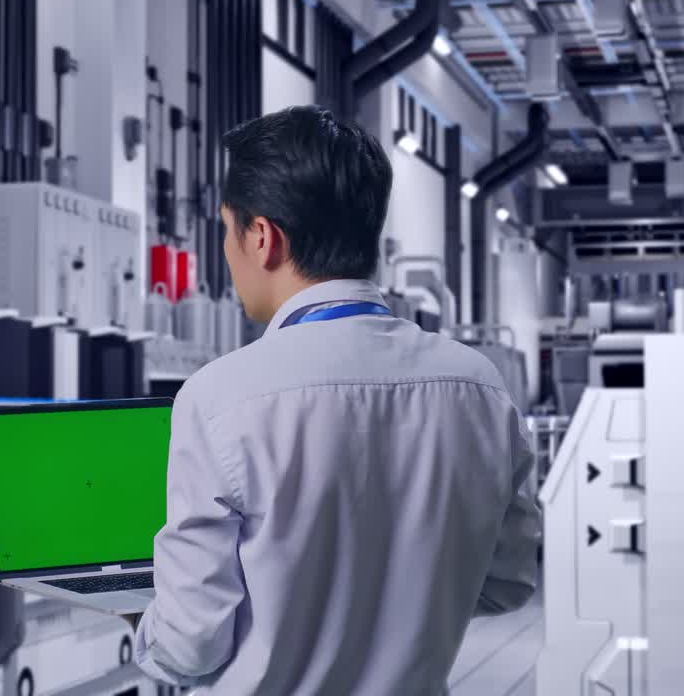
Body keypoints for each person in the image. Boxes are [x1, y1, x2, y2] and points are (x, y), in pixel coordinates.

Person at [129, 105, 541, 694]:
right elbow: (508, 582)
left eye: (227, 228)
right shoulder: (478, 386)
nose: (227, 249)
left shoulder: (219, 398)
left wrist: (146, 627)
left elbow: (192, 643)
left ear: (263, 237)